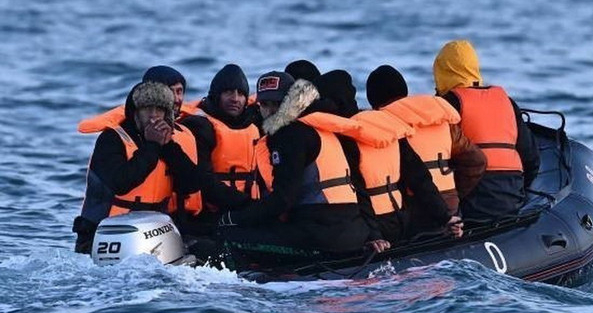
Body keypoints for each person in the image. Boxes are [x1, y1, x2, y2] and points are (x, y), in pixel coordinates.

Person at [72, 82, 248, 254]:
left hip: (151, 232)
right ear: (135, 112)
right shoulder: (111, 139)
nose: (154, 116)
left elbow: (193, 183)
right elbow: (121, 182)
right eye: (147, 109)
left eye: (160, 110)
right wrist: (152, 146)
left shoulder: (165, 142)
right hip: (103, 233)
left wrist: (168, 147)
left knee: (214, 250)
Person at [217, 71, 371, 253]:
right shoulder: (321, 125)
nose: (271, 111)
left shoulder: (290, 135)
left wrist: (235, 218)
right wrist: (374, 233)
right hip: (353, 229)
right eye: (265, 104)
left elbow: (283, 199)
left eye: (277, 103)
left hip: (320, 234)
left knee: (227, 235)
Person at [313, 70, 463, 247]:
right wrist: (445, 217)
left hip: (376, 228)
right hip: (403, 220)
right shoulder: (388, 124)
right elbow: (419, 177)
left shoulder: (343, 137)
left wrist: (374, 236)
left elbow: (358, 192)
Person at [366, 65, 485, 237]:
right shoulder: (441, 116)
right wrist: (455, 194)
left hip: (415, 212)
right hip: (451, 206)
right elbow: (477, 161)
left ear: (373, 101)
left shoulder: (383, 124)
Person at [433, 40, 540, 221]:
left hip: (470, 202)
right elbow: (531, 158)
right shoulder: (506, 101)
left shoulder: (447, 105)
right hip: (512, 196)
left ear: (441, 71)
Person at [180, 64, 261, 201]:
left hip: (249, 203)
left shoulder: (253, 125)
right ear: (216, 95)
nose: (235, 99)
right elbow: (204, 181)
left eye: (241, 94)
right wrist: (246, 204)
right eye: (229, 92)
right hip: (212, 208)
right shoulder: (199, 126)